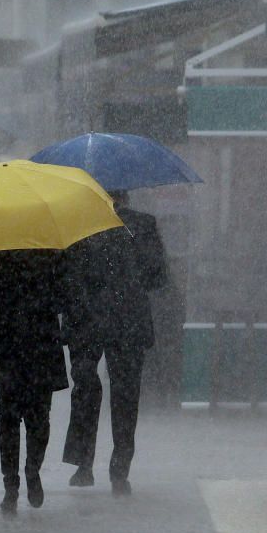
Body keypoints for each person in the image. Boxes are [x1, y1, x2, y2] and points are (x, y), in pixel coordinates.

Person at [62, 191, 168, 495]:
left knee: (85, 386)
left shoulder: (78, 226)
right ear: (126, 194)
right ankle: (120, 471)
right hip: (128, 321)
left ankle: (83, 465)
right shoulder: (143, 225)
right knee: (125, 394)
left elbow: (67, 277)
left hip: (87, 319)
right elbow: (158, 278)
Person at [0, 250, 67, 516]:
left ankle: (11, 484)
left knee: (8, 417)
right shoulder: (50, 251)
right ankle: (32, 470)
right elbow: (63, 296)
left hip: (5, 341)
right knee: (39, 415)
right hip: (41, 342)